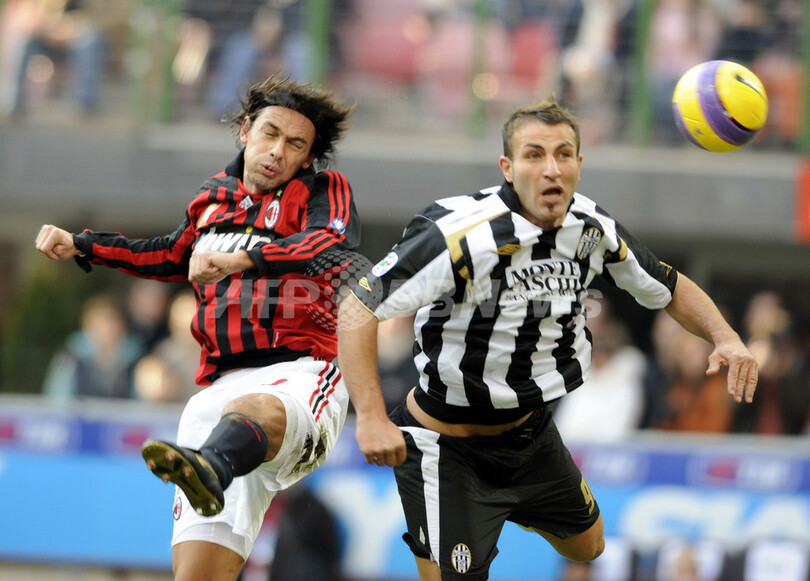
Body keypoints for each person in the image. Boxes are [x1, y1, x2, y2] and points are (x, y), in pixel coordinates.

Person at [336, 96, 758, 581]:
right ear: (508, 168)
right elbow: (357, 308)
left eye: (563, 154)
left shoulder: (592, 229)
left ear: (579, 164)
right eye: (534, 155)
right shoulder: (456, 235)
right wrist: (370, 417)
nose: (551, 168)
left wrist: (726, 336)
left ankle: (498, 510)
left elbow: (667, 284)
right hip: (445, 446)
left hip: (529, 433)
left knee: (589, 546)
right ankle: (466, 515)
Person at [34, 76, 358, 581]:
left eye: (296, 144)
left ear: (309, 157)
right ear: (246, 130)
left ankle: (212, 465)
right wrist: (83, 244)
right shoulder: (212, 197)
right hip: (217, 394)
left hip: (301, 374)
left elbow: (322, 244)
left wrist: (238, 259)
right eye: (270, 133)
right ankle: (212, 464)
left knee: (253, 408)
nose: (278, 151)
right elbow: (169, 254)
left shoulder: (324, 191)